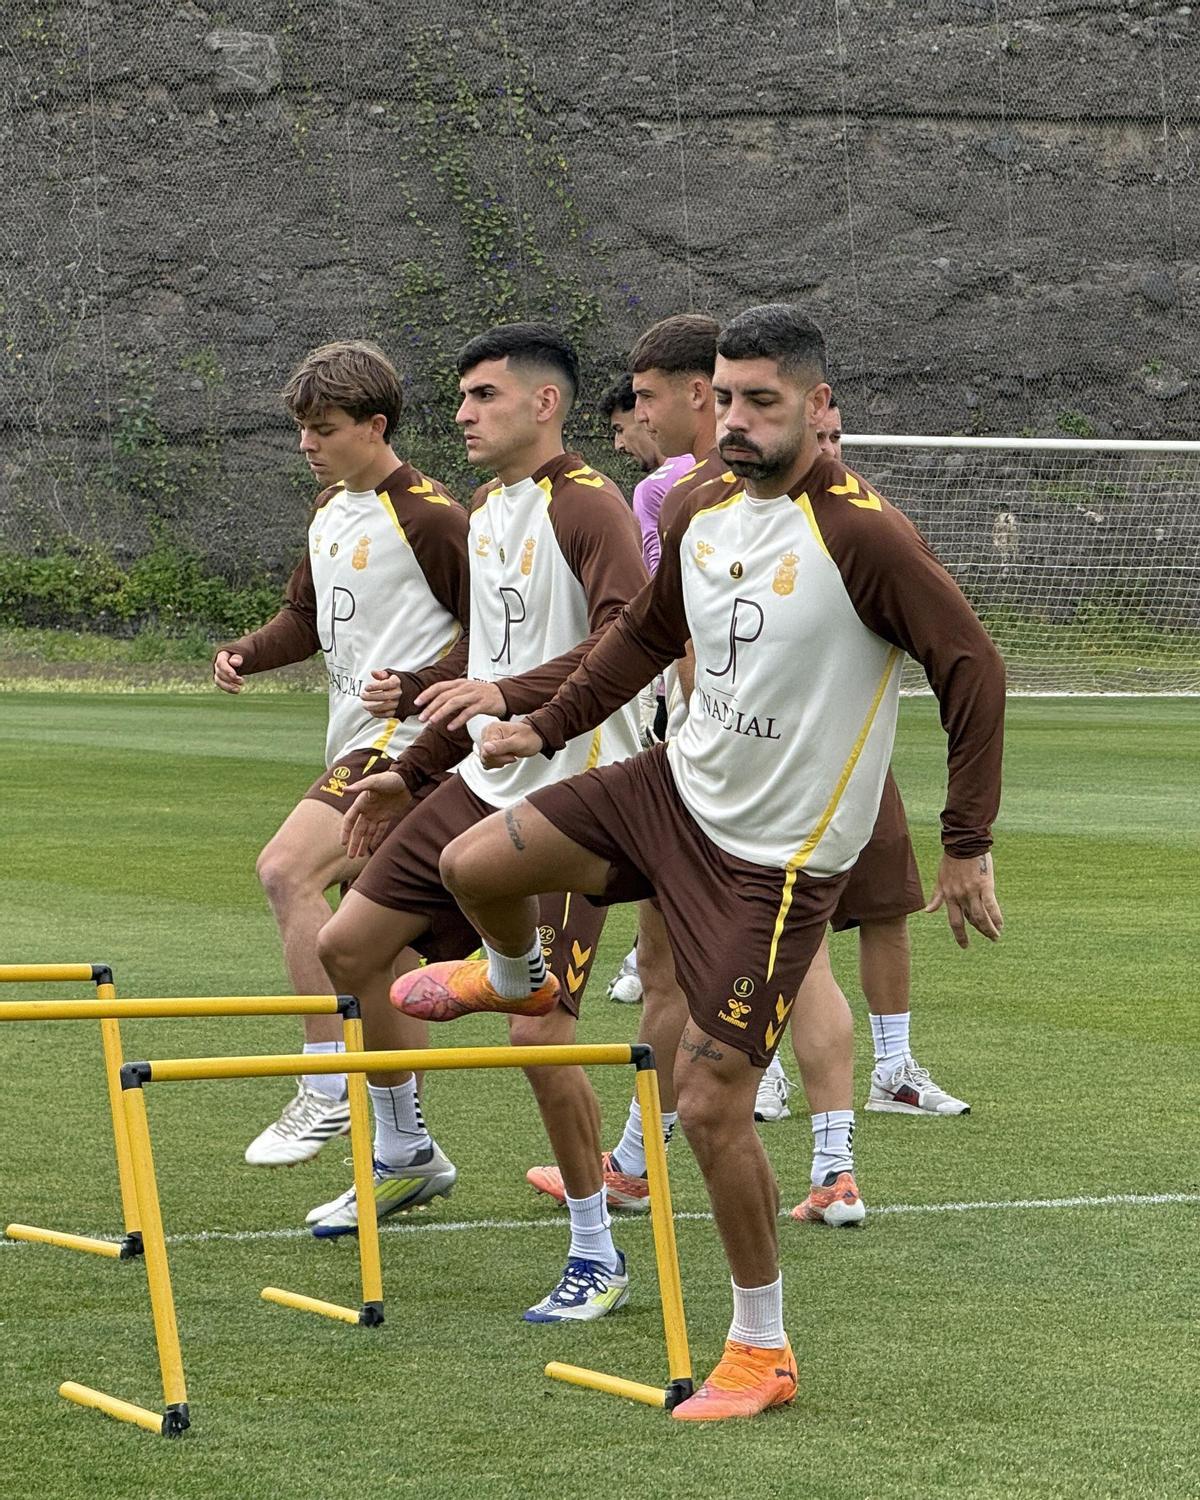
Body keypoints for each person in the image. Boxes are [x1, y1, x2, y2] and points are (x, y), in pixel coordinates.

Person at [391, 304, 1005, 1420]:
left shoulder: (863, 534)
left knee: (711, 1108)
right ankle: (517, 977)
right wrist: (545, 722)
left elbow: (973, 669)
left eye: (762, 401)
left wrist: (965, 846)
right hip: (669, 791)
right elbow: (641, 638)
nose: (736, 421)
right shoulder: (701, 503)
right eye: (724, 398)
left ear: (821, 408)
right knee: (476, 863)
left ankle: (762, 1349)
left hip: (774, 865)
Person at [309, 323, 652, 1325]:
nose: (460, 414)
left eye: (482, 396)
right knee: (346, 946)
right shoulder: (492, 509)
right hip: (479, 779)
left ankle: (596, 1250)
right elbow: (475, 677)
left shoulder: (588, 505)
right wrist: (406, 772)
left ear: (545, 405)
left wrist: (503, 693)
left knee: (539, 1037)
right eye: (460, 398)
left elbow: (626, 636)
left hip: (580, 792)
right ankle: (406, 1147)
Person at [212, 339, 470, 1170]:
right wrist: (248, 651)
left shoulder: (431, 516)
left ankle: (324, 1082)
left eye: (322, 428)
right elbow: (306, 618)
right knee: (376, 953)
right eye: (301, 429)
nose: (306, 445)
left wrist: (427, 680)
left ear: (376, 425)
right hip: (356, 740)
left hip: (407, 747)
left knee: (286, 870)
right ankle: (406, 1149)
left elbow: (507, 637)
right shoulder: (330, 510)